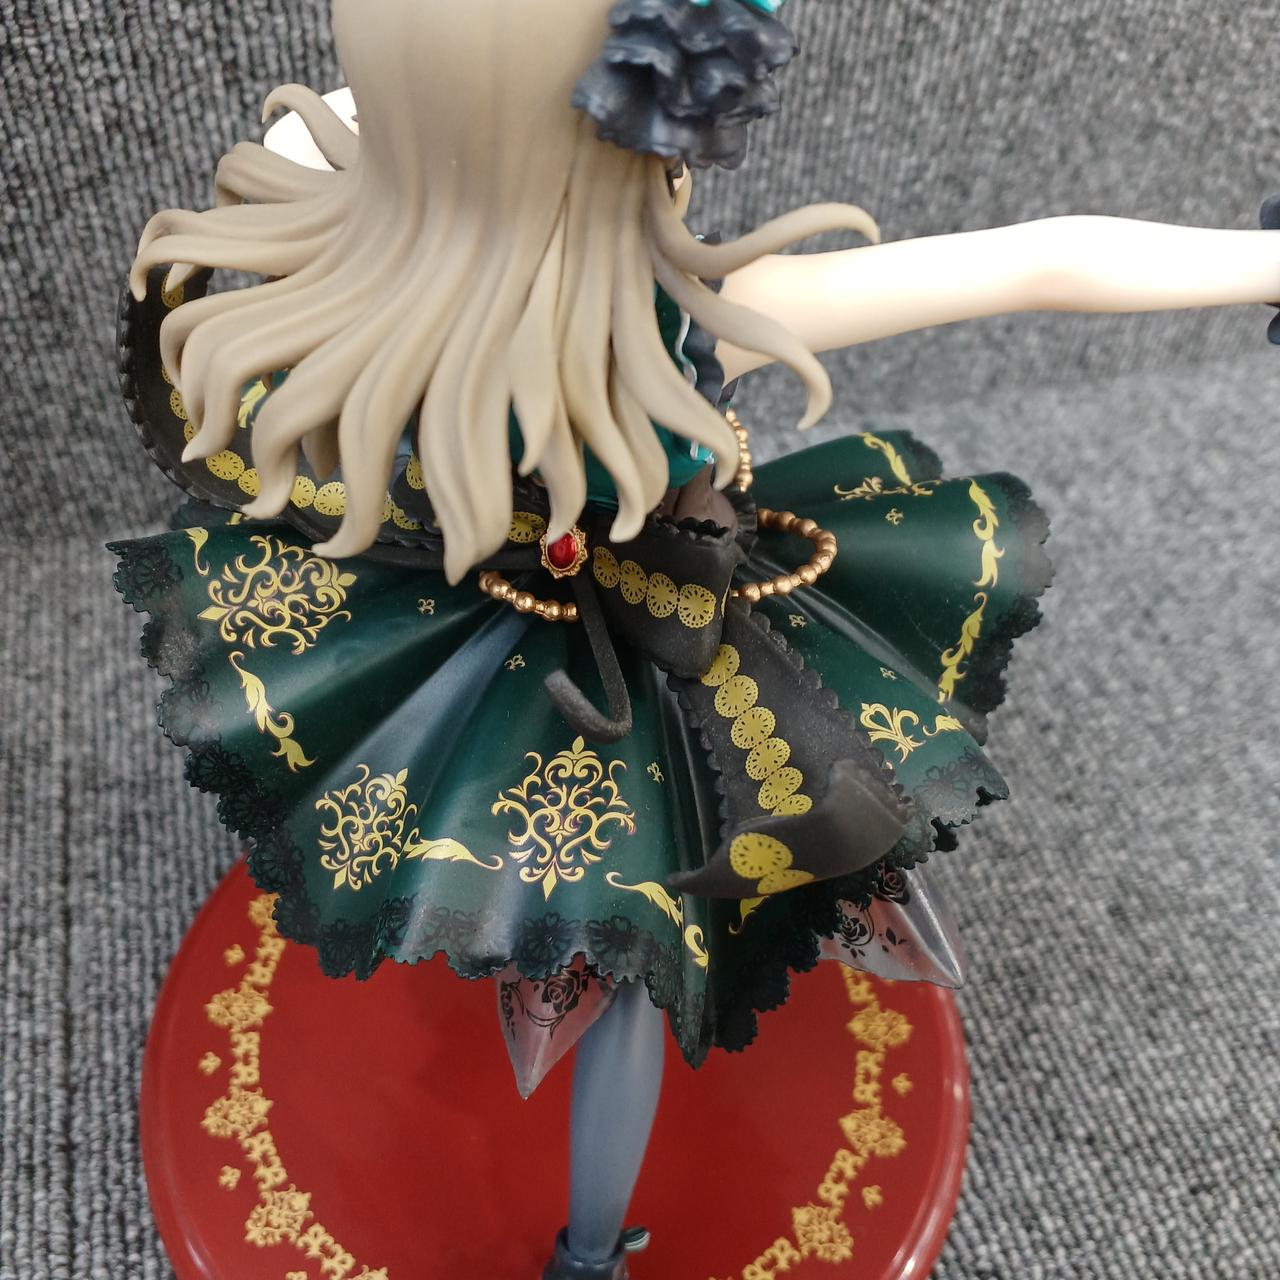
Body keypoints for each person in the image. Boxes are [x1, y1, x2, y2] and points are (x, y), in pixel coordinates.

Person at [111, 1, 1280, 1275]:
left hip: (477, 616)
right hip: (651, 655)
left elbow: (404, 98)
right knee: (648, 955)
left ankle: (585, 1231)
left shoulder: (349, 252)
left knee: (602, 931)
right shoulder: (689, 325)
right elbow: (1038, 262)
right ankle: (591, 1249)